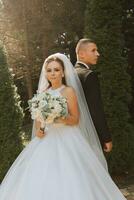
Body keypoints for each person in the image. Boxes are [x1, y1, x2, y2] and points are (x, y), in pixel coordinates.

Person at [0, 53, 126, 200]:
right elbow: (38, 127)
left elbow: (75, 119)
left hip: (68, 138)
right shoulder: (42, 93)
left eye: (56, 70)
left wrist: (58, 117)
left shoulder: (69, 91)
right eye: (49, 70)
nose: (52, 73)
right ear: (45, 73)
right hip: (46, 140)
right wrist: (41, 129)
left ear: (63, 72)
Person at [75, 38, 112, 152]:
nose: (98, 54)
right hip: (90, 134)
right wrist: (106, 137)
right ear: (81, 54)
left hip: (73, 134)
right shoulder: (89, 76)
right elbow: (96, 110)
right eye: (93, 50)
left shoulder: (68, 74)